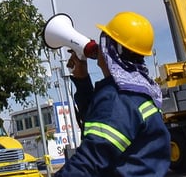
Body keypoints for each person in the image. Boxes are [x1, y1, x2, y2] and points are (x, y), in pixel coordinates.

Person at [54, 11, 170, 177]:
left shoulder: (118, 99)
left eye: (104, 42)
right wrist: (82, 81)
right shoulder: (139, 91)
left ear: (112, 50)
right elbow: (100, 123)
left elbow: (91, 159)